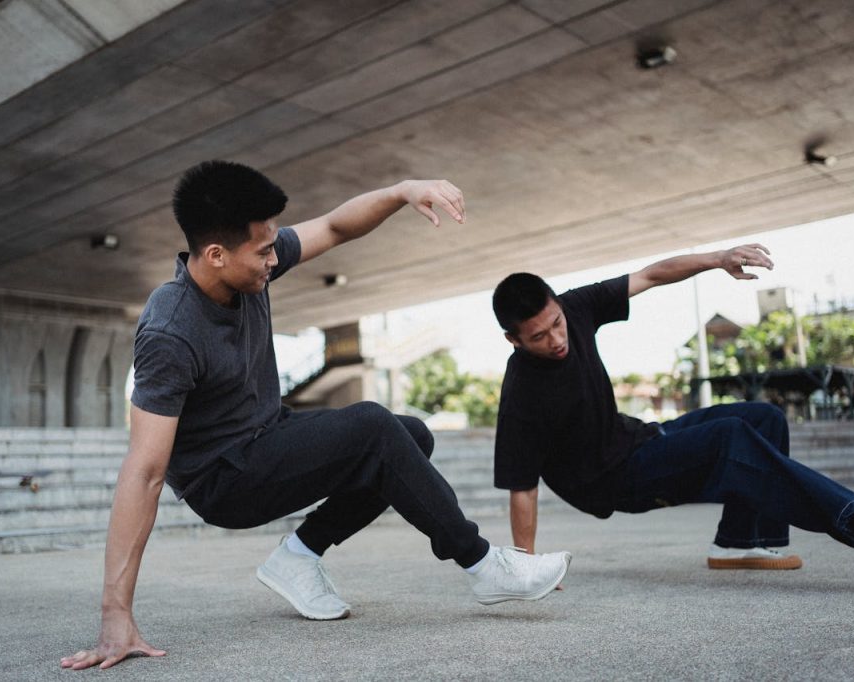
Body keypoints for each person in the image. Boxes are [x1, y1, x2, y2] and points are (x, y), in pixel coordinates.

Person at [61, 161, 570, 671]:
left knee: (408, 434)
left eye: (272, 247)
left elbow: (333, 226)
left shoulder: (247, 266)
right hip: (224, 481)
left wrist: (401, 190)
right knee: (373, 424)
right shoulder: (170, 331)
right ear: (216, 255)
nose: (272, 261)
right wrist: (115, 614)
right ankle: (483, 565)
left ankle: (299, 556)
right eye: (263, 252)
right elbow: (144, 470)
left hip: (269, 434)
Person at [490, 244, 854, 573]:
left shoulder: (575, 307)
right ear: (514, 340)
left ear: (557, 305)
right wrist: (527, 570)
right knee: (729, 437)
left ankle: (744, 541)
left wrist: (718, 258)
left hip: (640, 439)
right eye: (539, 337)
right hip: (611, 482)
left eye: (556, 324)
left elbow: (651, 274)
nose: (557, 339)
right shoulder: (522, 396)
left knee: (762, 417)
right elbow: (522, 489)